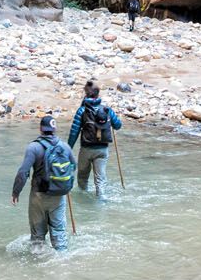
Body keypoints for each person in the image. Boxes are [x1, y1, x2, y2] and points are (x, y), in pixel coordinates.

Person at [11, 114, 75, 250]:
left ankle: (37, 264)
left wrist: (16, 192)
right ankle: (62, 263)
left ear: (41, 129)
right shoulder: (65, 146)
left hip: (38, 196)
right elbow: (73, 167)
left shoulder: (33, 147)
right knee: (59, 233)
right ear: (55, 129)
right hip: (59, 196)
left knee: (37, 236)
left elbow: (23, 172)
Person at [67, 83, 123, 198]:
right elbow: (118, 125)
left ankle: (82, 200)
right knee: (100, 179)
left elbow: (74, 132)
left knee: (82, 177)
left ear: (86, 94)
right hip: (102, 150)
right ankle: (101, 202)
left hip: (86, 149)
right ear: (98, 95)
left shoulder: (82, 111)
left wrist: (68, 149)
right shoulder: (107, 110)